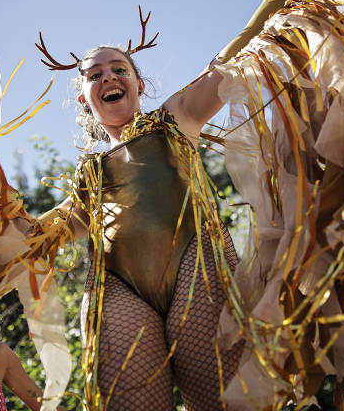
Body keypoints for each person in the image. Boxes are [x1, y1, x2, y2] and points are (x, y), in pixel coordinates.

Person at [36, 27, 242, 410]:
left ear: (138, 84)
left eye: (119, 69)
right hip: (117, 291)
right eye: (95, 75)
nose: (108, 77)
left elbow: (227, 63)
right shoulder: (90, 175)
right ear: (84, 98)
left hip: (196, 267)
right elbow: (35, 236)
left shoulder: (175, 120)